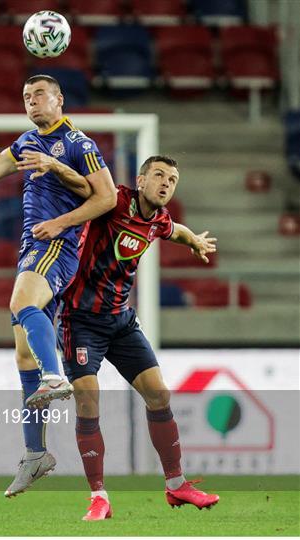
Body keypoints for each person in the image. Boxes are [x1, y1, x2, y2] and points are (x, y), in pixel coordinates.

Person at [0, 74, 117, 495]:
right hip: (32, 246)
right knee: (23, 354)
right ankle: (36, 454)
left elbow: (106, 197)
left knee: (22, 301)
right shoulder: (24, 142)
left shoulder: (80, 144)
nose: (32, 102)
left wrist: (60, 220)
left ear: (59, 99)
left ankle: (55, 375)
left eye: (39, 95)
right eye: (26, 97)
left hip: (56, 242)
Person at [31, 155, 220, 519]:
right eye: (160, 175)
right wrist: (56, 169)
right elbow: (84, 187)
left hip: (120, 321)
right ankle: (99, 496)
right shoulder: (114, 200)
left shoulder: (159, 219)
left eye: (173, 179)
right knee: (88, 401)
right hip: (80, 320)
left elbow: (173, 230)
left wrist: (193, 239)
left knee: (159, 394)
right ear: (141, 180)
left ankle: (177, 485)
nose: (166, 183)